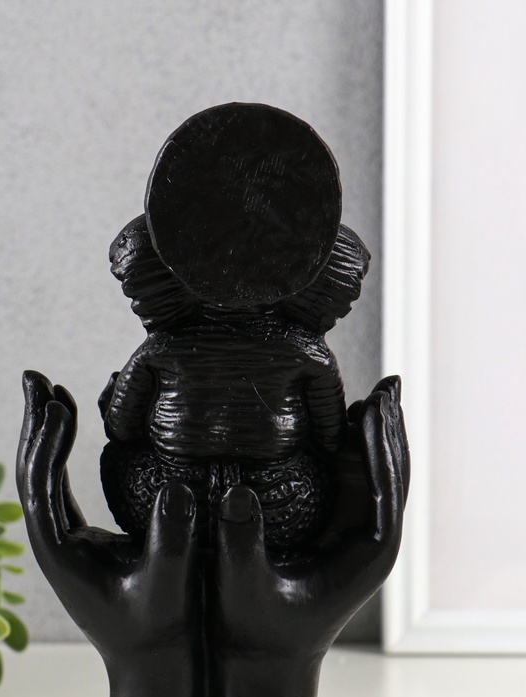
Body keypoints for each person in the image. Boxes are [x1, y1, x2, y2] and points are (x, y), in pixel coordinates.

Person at [99, 215, 370, 548]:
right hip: (279, 509)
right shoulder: (308, 353)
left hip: (169, 505)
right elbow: (331, 439)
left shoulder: (161, 347)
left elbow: (121, 428)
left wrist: (113, 400)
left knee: (120, 455)